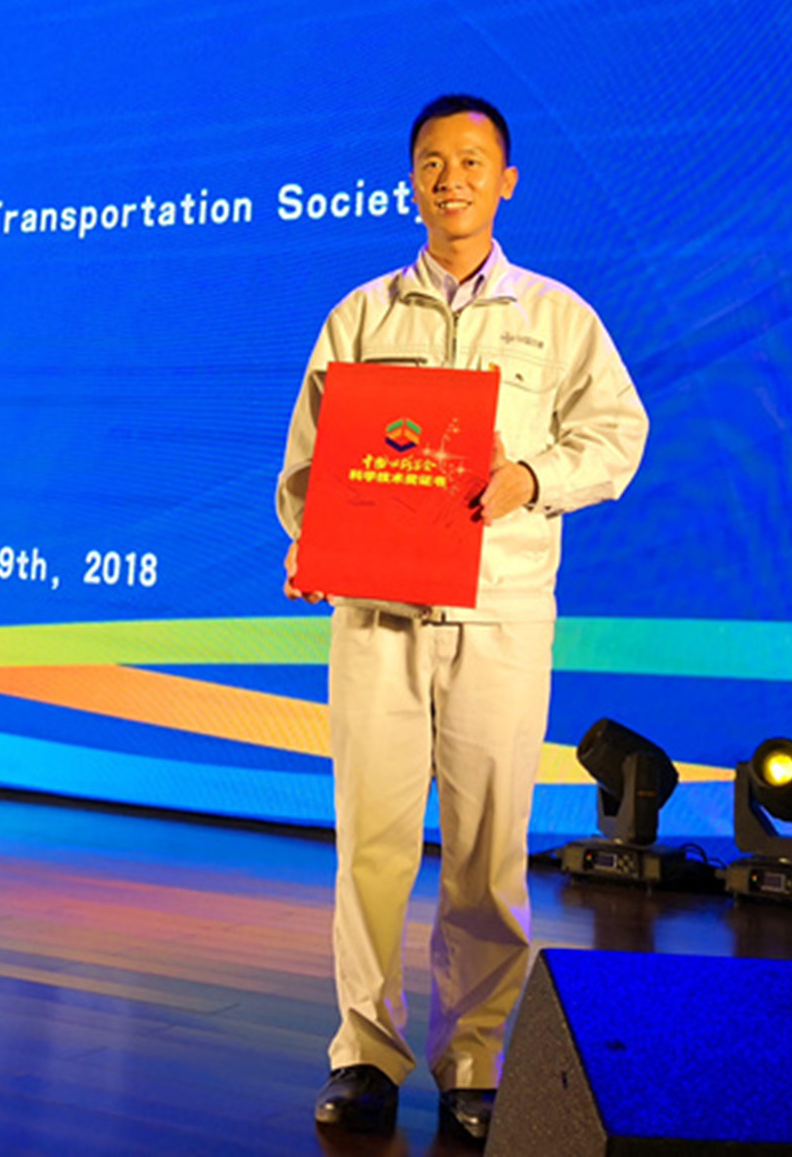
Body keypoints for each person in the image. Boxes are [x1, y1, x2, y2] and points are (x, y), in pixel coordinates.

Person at [277, 95, 648, 1143]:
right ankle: (363, 1050)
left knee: (489, 847)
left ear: (506, 181)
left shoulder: (556, 317)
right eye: (433, 163)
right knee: (372, 843)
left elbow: (617, 435)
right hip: (376, 621)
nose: (452, 180)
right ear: (412, 182)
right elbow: (307, 468)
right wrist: (316, 544)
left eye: (472, 162)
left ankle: (476, 1057)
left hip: (500, 616)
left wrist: (531, 476)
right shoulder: (361, 316)